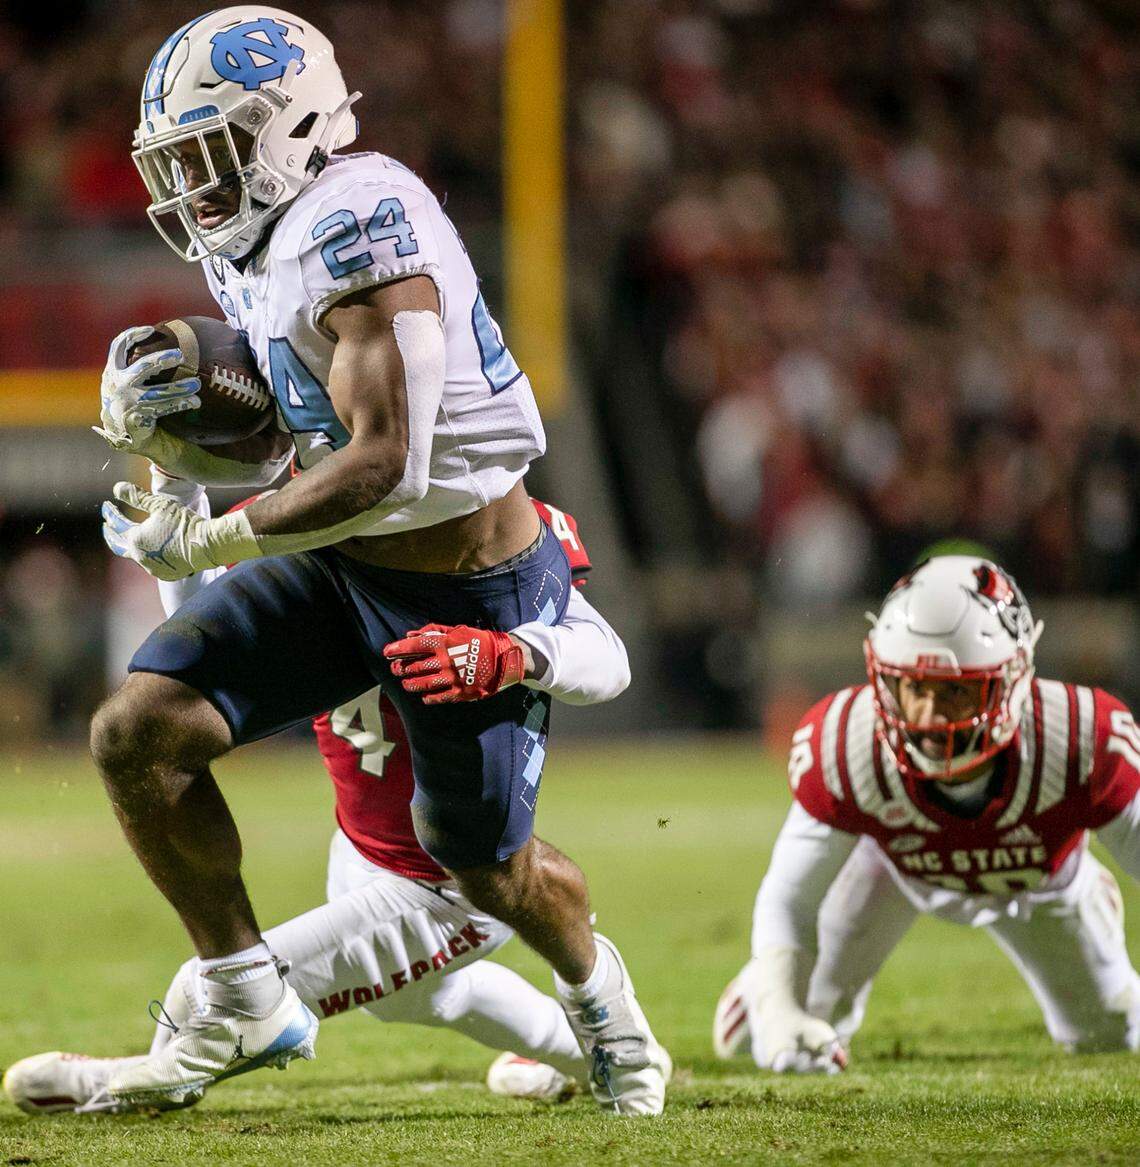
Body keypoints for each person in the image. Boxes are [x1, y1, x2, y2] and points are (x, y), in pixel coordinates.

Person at [86, 6, 667, 1115]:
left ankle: (612, 1020)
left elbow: (389, 462)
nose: (191, 188)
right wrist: (180, 456)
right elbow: (297, 431)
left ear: (286, 127)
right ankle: (243, 987)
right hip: (344, 566)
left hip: (467, 583)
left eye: (207, 154)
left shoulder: (362, 220)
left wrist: (214, 534)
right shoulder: (256, 242)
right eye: (176, 164)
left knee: (484, 866)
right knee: (137, 734)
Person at [5, 487, 651, 1114]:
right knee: (421, 997)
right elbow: (203, 644)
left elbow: (607, 658)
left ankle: (125, 1086)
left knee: (214, 985)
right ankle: (572, 1050)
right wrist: (183, 515)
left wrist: (514, 654)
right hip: (361, 843)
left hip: (448, 877)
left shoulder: (478, 536)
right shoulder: (293, 519)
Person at [714, 556, 1140, 1072]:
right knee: (796, 1028)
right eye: (914, 688)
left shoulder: (1080, 737)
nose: (929, 718)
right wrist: (777, 1004)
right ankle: (763, 979)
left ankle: (1087, 891)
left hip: (1038, 878)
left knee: (1108, 1033)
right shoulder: (848, 741)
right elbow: (789, 894)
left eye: (956, 690)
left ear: (1014, 679)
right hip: (896, 869)